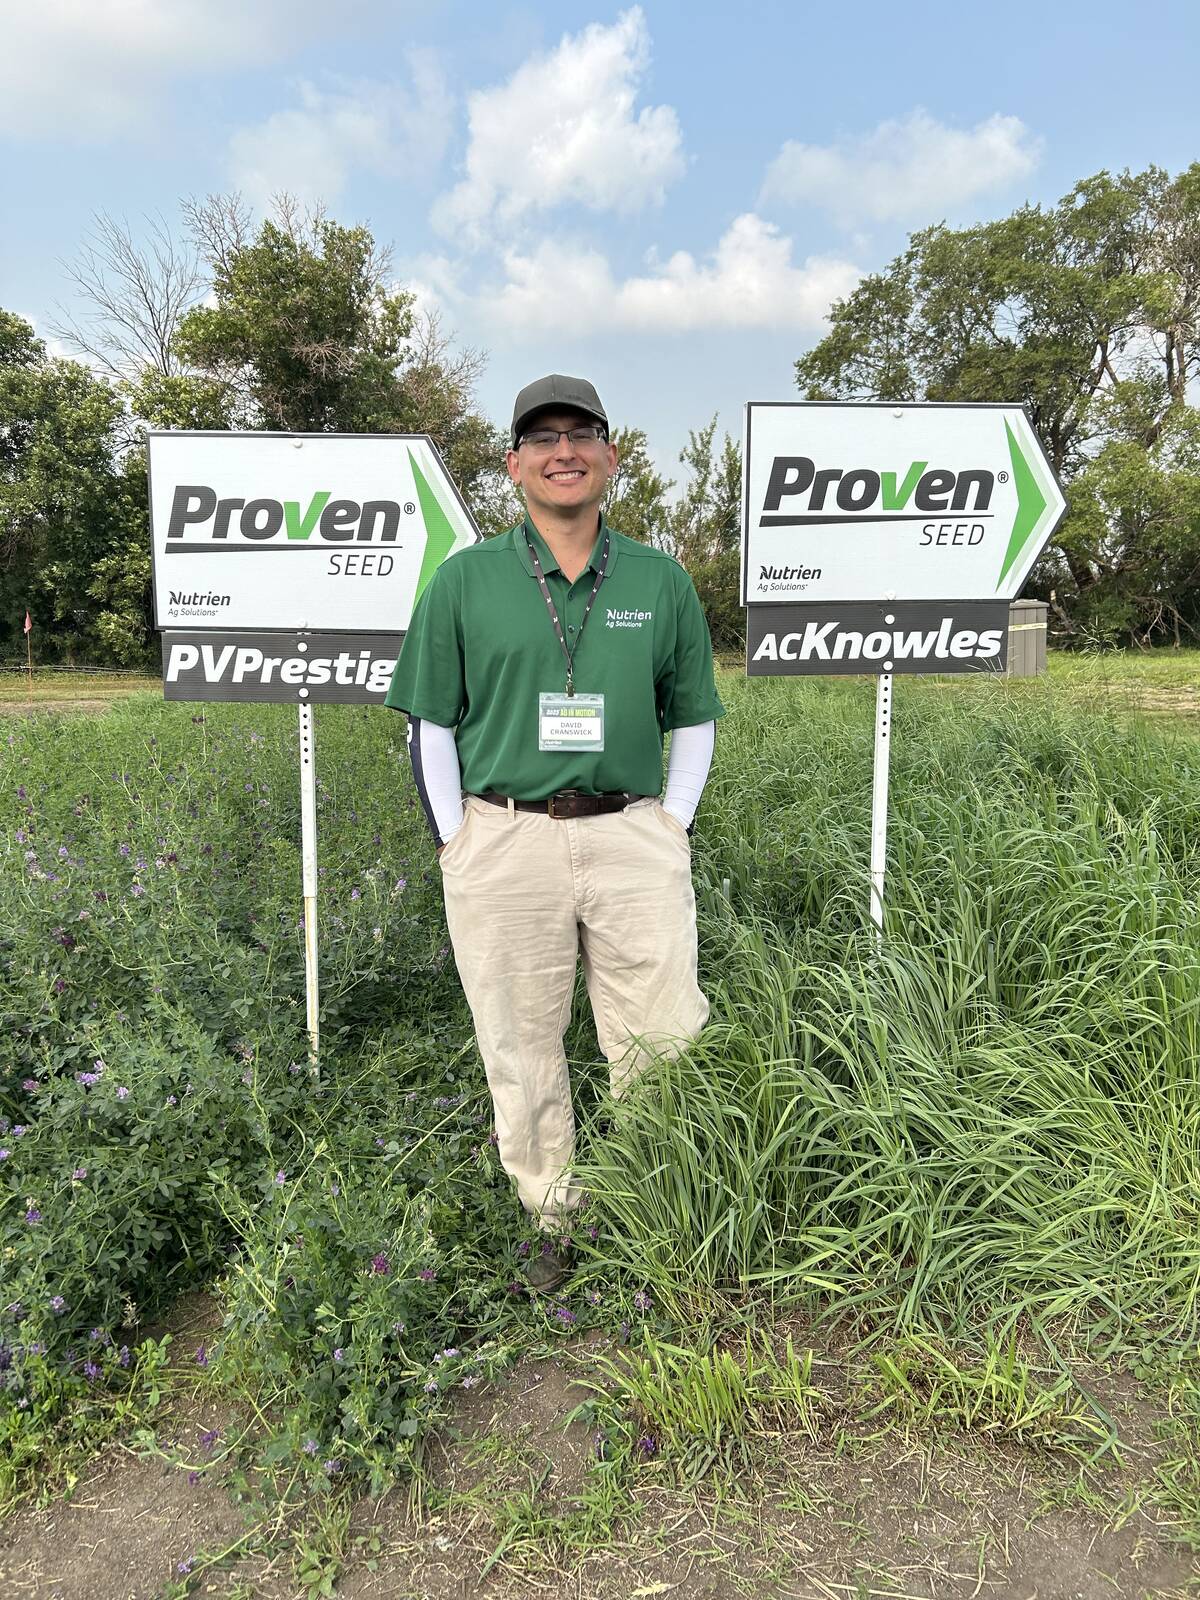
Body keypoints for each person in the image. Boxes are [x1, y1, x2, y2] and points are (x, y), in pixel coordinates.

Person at [385, 375, 723, 1291]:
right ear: (514, 465)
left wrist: (673, 824)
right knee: (520, 1039)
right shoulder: (465, 581)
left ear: (612, 457)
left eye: (582, 435)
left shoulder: (658, 580)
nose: (563, 451)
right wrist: (457, 839)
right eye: (543, 438)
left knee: (662, 1034)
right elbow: (429, 725)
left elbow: (693, 714)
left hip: (630, 836)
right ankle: (553, 1217)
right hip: (506, 840)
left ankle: (661, 1206)